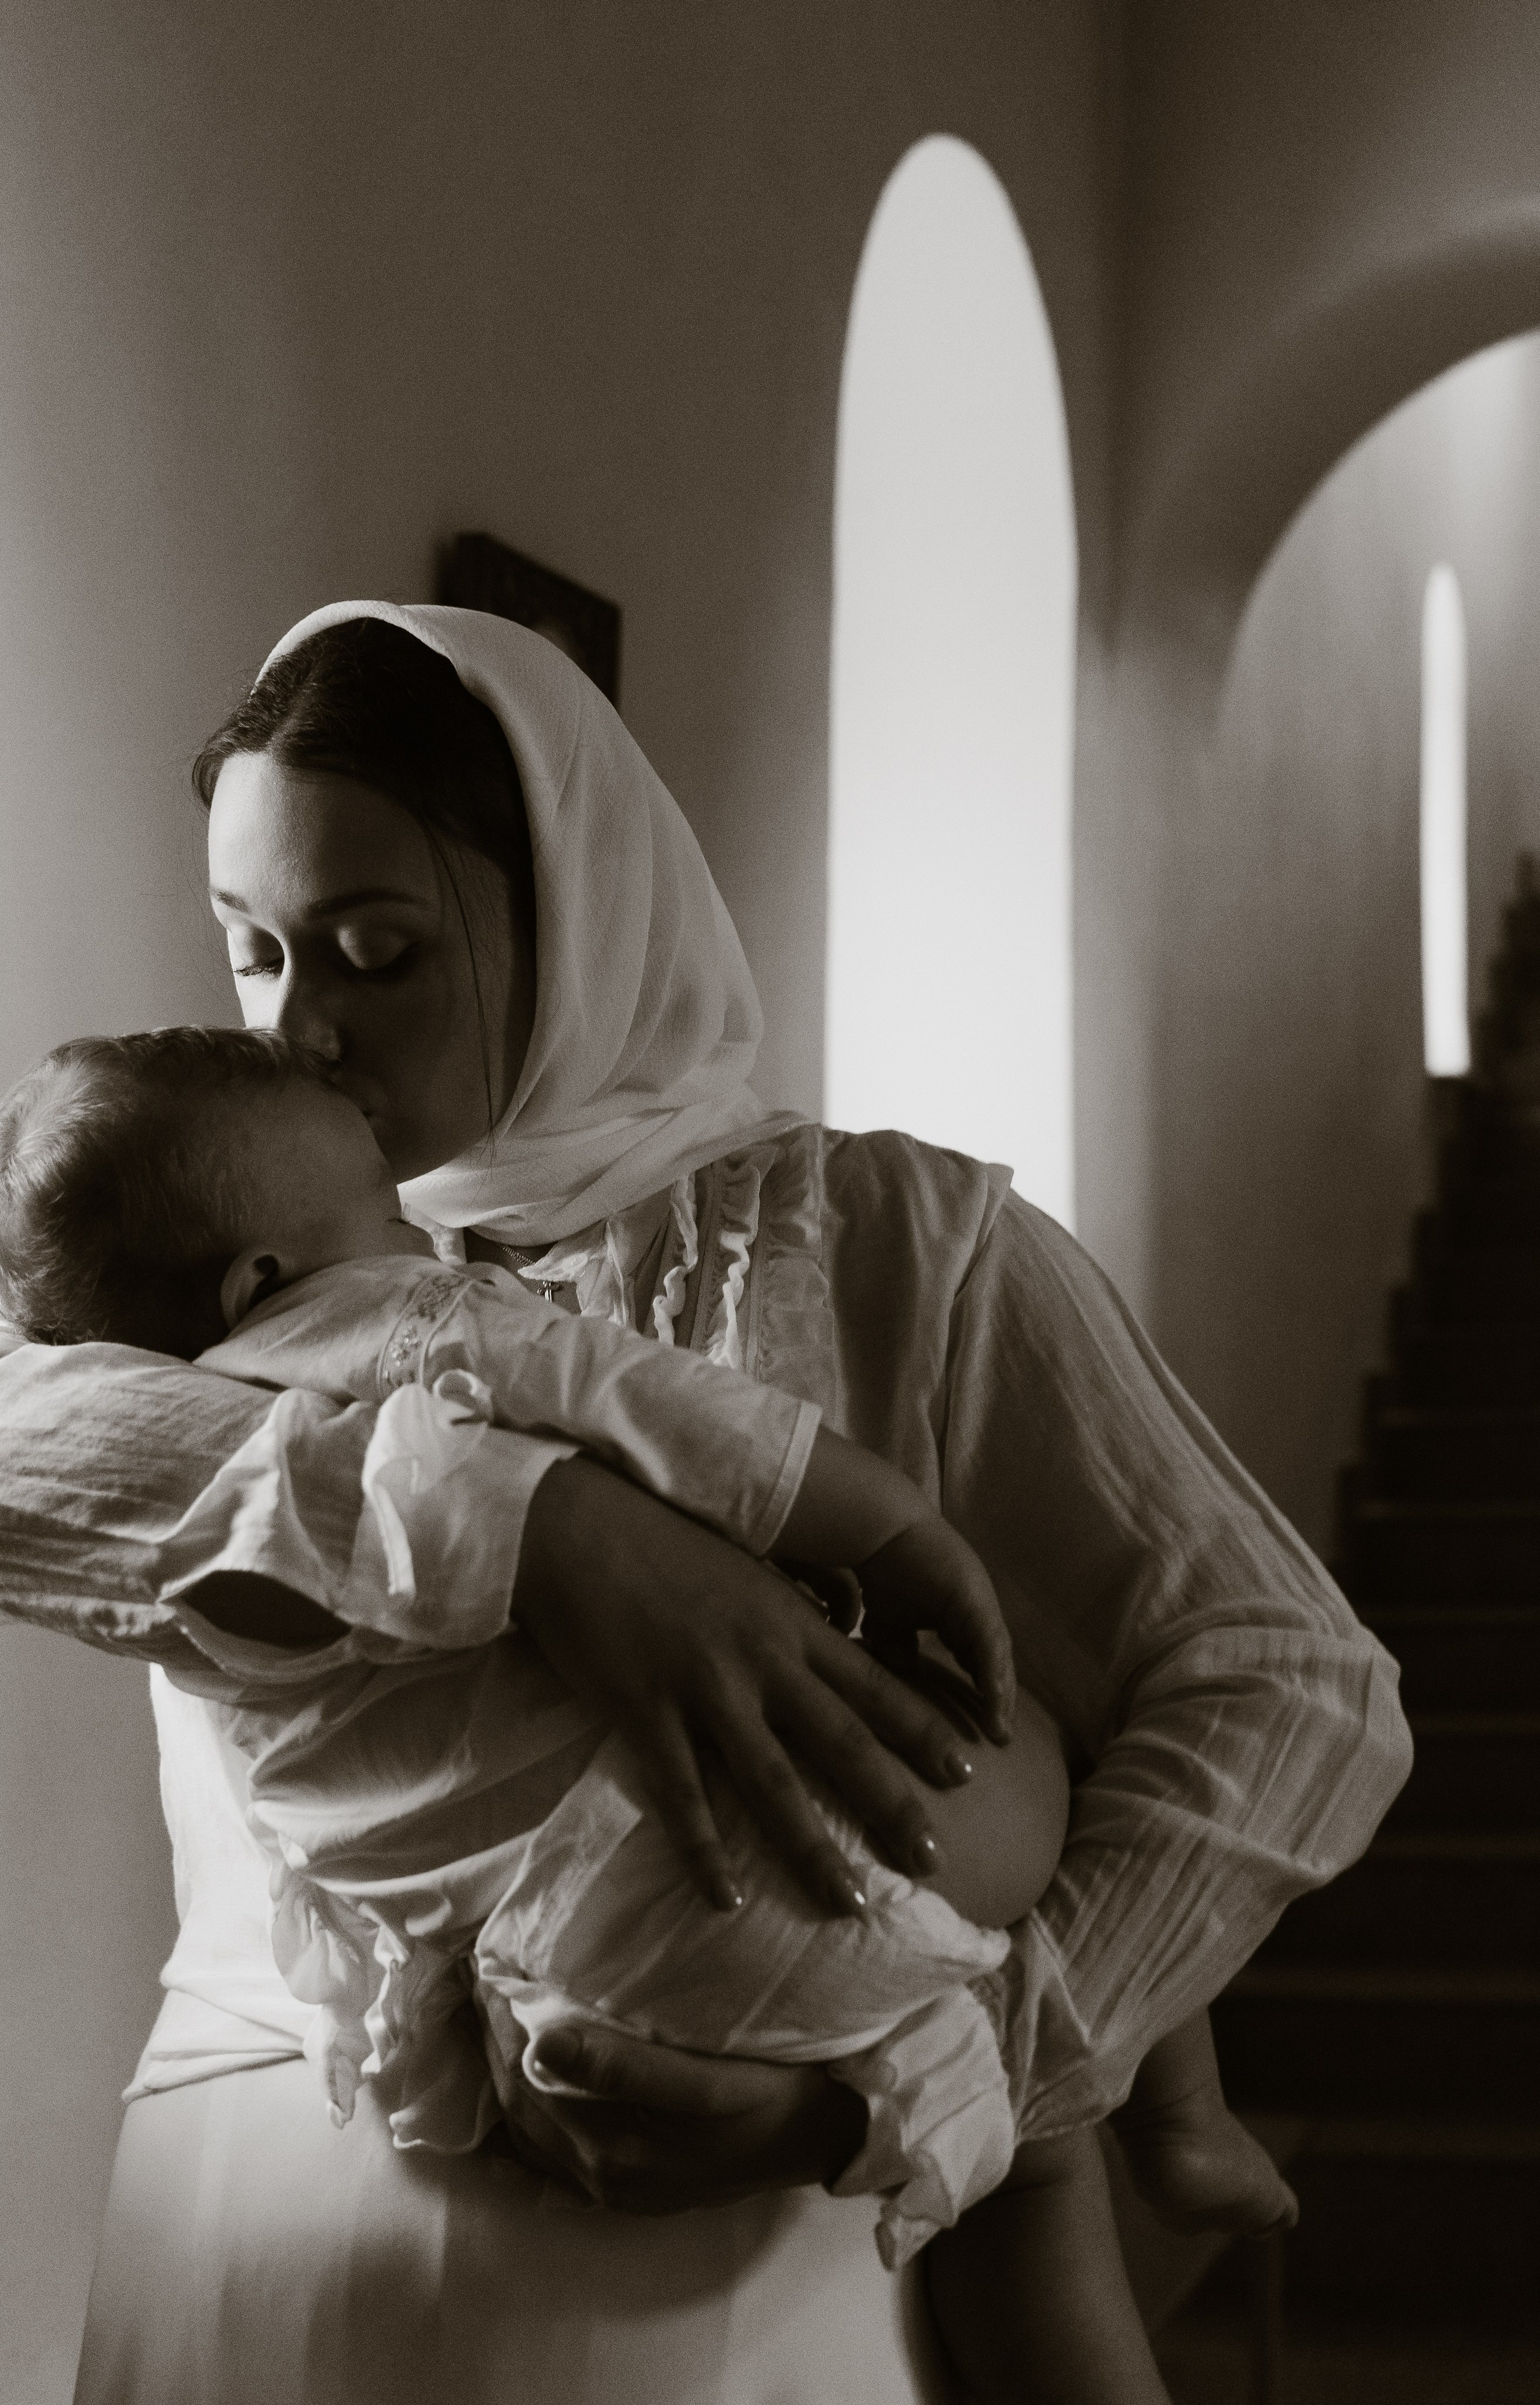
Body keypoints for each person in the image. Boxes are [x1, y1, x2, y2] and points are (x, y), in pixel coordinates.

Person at [0, 600, 1408, 2404]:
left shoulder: (890, 1238)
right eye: (257, 954)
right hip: (242, 2247)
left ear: (578, 904)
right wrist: (556, 1541)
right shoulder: (194, 1255)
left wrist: (919, 2077)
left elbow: (1295, 1684)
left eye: (376, 951)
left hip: (722, 2297)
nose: (305, 1031)